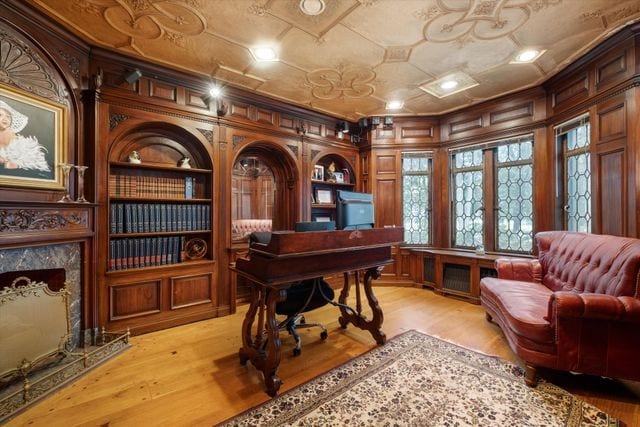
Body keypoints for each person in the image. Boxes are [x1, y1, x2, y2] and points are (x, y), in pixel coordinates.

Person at [0, 100, 50, 171]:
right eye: (0, 115)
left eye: (8, 116)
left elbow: (39, 166)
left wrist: (18, 165)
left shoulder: (26, 145)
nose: (5, 118)